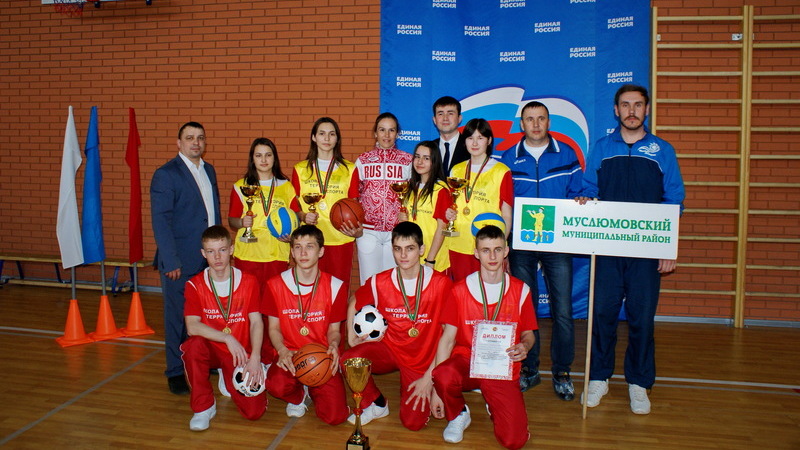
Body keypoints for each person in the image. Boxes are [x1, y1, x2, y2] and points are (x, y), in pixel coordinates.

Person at [578, 84, 685, 415]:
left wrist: (668, 247)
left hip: (646, 252)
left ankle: (639, 383)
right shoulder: (601, 148)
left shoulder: (662, 150)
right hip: (608, 250)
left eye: (638, 105)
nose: (631, 111)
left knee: (641, 317)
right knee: (603, 314)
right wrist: (584, 201)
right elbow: (588, 189)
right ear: (616, 110)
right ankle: (599, 377)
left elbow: (674, 200)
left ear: (647, 109)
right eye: (625, 105)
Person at [498, 101, 584, 398]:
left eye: (541, 118)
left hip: (557, 242)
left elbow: (579, 193)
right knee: (525, 309)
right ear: (521, 124)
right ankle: (529, 369)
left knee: (563, 310)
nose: (535, 124)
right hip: (521, 244)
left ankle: (562, 371)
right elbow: (504, 203)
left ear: (549, 122)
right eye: (530, 119)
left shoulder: (567, 154)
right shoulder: (508, 158)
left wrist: (582, 200)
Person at [431, 225, 537, 449]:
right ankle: (458, 414)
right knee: (443, 374)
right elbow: (447, 340)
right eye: (486, 250)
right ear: (476, 253)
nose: (492, 256)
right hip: (467, 361)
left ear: (506, 251)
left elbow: (528, 334)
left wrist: (525, 346)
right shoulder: (459, 290)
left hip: (502, 366)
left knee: (514, 441)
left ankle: (495, 402)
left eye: (497, 250)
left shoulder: (521, 290)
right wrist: (437, 390)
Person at [342, 221, 452, 431]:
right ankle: (376, 403)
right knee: (350, 359)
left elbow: (450, 336)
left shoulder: (441, 284)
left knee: (413, 423)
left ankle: (444, 398)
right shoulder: (380, 282)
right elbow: (355, 300)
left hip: (422, 361)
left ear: (421, 250)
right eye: (397, 249)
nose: (403, 255)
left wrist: (430, 379)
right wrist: (350, 334)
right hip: (390, 350)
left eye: (410, 248)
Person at [151, 121, 221, 395]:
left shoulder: (209, 170)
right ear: (179, 143)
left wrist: (220, 250)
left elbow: (211, 213)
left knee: (206, 315)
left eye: (200, 138)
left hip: (208, 259)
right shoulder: (166, 174)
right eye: (190, 138)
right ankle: (175, 371)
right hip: (180, 261)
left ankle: (205, 359)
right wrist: (170, 261)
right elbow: (161, 220)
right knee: (177, 318)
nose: (196, 142)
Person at [261, 225, 349, 425]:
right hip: (290, 355)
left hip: (321, 357)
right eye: (298, 247)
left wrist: (333, 345)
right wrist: (282, 350)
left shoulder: (336, 286)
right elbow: (273, 328)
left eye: (309, 246)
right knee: (275, 385)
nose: (303, 253)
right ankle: (298, 396)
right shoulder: (274, 284)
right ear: (291, 252)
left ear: (321, 251)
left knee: (335, 417)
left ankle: (314, 387)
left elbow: (334, 331)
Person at [181, 225, 266, 431]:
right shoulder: (194, 285)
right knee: (192, 346)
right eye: (211, 251)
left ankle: (228, 375)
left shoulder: (249, 281)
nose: (217, 257)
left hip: (238, 353)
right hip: (212, 348)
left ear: (231, 250)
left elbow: (256, 322)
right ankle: (204, 407)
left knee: (254, 412)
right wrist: (227, 338)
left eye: (222, 250)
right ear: (203, 253)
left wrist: (255, 357)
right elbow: (192, 326)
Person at [436, 118, 513, 281]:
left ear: (489, 140)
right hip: (457, 244)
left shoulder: (501, 171)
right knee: (461, 292)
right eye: (470, 138)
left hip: (487, 248)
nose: (475, 143)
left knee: (486, 292)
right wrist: (449, 213)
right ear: (465, 141)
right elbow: (452, 204)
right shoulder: (456, 169)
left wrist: (499, 247)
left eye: (480, 138)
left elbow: (506, 215)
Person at [292, 117, 361, 296]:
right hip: (310, 240)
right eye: (322, 133)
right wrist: (303, 216)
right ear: (314, 137)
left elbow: (354, 206)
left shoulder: (350, 169)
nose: (327, 138)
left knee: (338, 291)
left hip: (340, 238)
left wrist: (356, 228)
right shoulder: (300, 169)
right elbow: (294, 209)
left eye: (332, 134)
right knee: (311, 290)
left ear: (337, 139)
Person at [355, 112, 413, 284]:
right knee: (369, 282)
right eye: (382, 130)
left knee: (393, 282)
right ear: (375, 133)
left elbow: (413, 196)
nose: (386, 135)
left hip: (396, 231)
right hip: (368, 231)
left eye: (391, 130)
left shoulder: (407, 160)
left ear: (397, 133)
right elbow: (355, 195)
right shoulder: (363, 160)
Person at [228, 137, 295, 284]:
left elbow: (295, 219)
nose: (263, 160)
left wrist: (291, 235)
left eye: (268, 155)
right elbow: (231, 220)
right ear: (252, 159)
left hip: (276, 254)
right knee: (249, 297)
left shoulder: (286, 186)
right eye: (258, 155)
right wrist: (242, 222)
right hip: (247, 254)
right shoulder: (240, 186)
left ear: (274, 158)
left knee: (273, 297)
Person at [397, 141, 451, 273]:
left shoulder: (441, 190)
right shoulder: (410, 187)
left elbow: (442, 228)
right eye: (417, 156)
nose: (420, 162)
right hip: (412, 257)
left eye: (426, 158)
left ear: (434, 161)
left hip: (433, 259)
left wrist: (430, 259)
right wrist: (402, 218)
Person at [431, 96, 470, 173]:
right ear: (434, 120)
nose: (445, 118)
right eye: (440, 114)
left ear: (459, 118)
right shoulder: (429, 148)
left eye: (450, 113)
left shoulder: (470, 147)